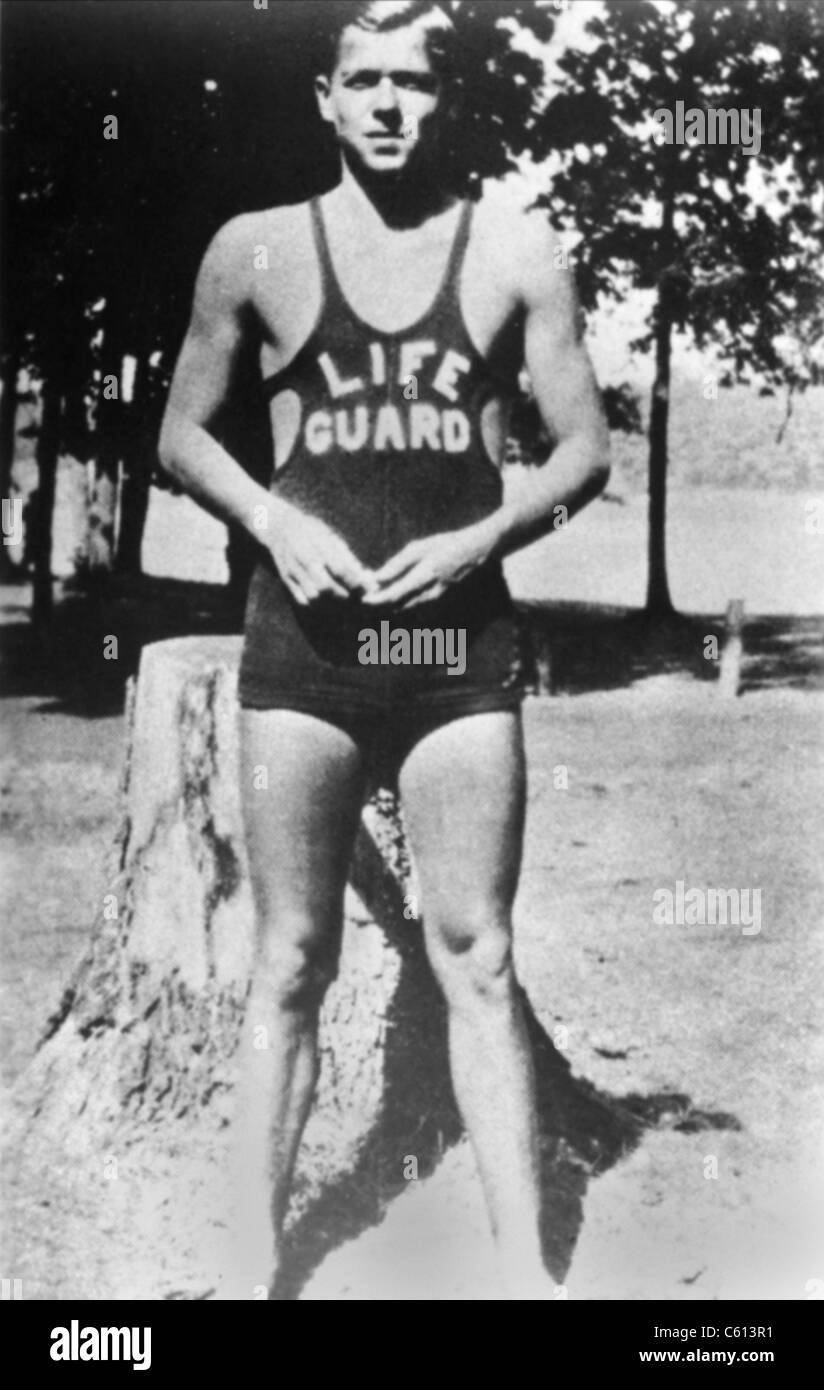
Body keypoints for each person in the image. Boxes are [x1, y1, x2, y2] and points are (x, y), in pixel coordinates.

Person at [159, 0, 609, 1300]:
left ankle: (525, 1269)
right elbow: (183, 434)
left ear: (440, 97)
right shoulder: (254, 252)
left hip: (460, 655)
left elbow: (583, 448)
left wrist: (485, 534)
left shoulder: (516, 252)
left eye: (414, 82)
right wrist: (268, 518)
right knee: (293, 957)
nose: (391, 105)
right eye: (367, 81)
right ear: (327, 96)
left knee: (478, 951)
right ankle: (252, 1262)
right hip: (303, 653)